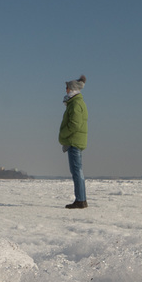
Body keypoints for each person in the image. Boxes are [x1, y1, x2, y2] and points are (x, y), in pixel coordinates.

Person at [59, 75, 88, 208]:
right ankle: (81, 199)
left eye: (67, 88)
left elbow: (75, 124)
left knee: (77, 171)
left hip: (74, 141)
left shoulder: (75, 104)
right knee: (77, 170)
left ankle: (81, 200)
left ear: (72, 89)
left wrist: (63, 133)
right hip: (75, 140)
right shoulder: (75, 102)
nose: (65, 90)